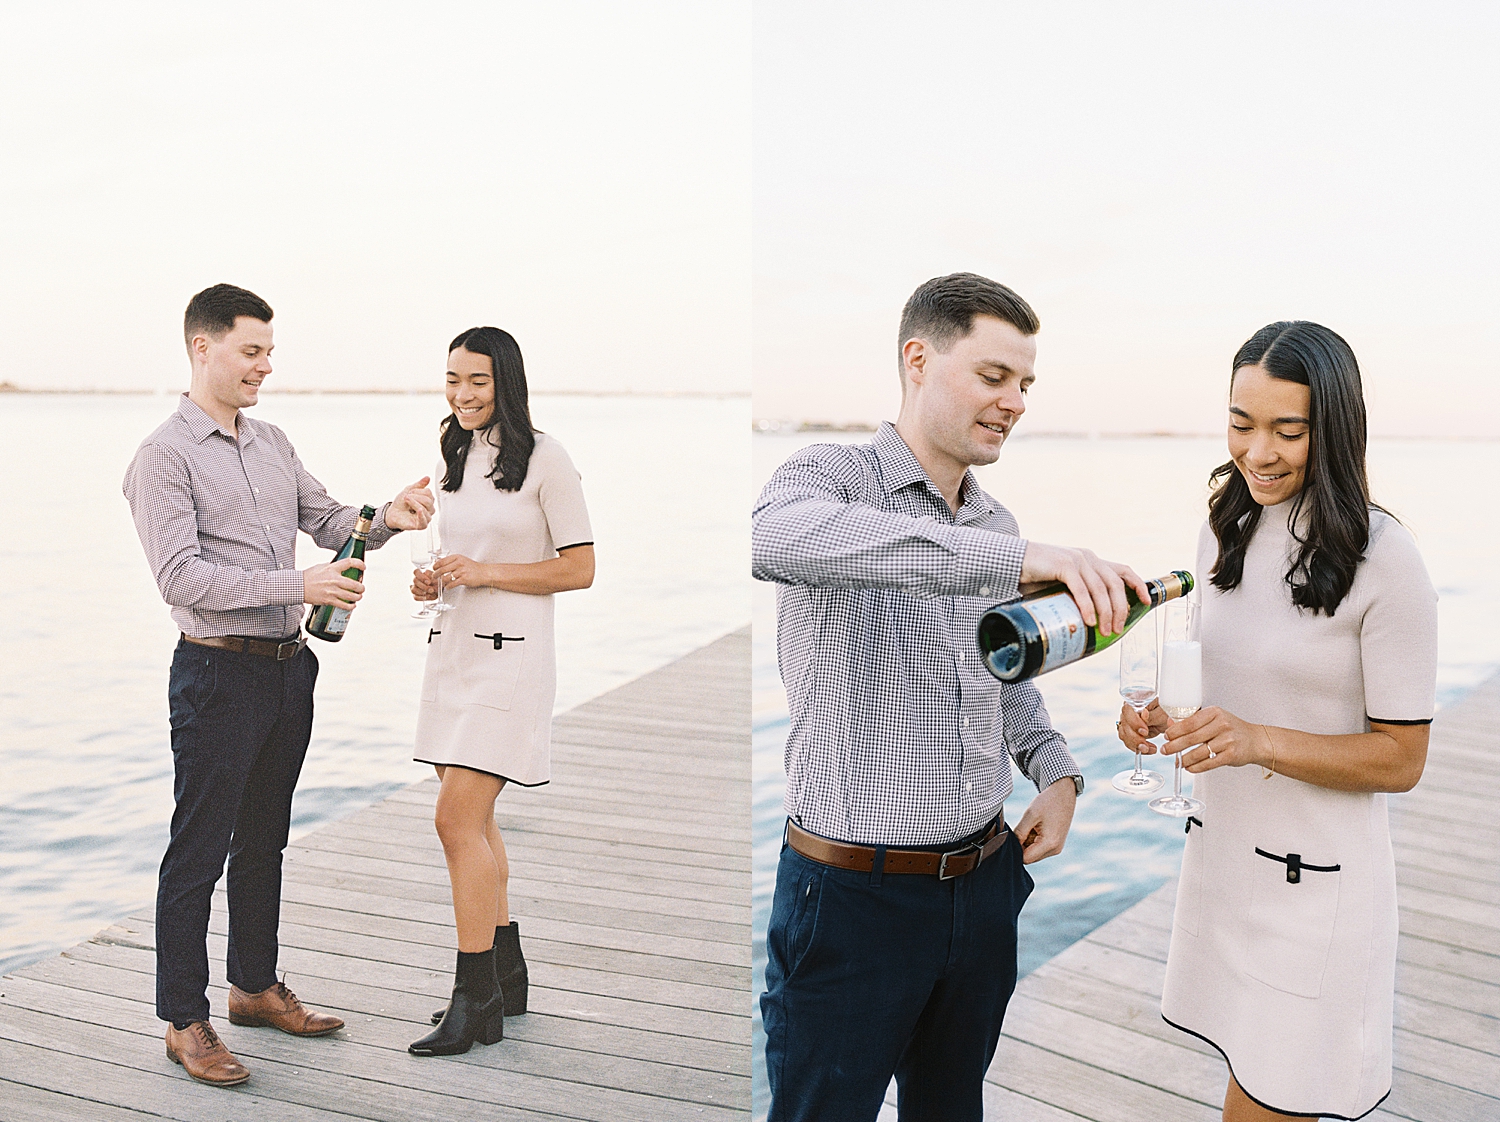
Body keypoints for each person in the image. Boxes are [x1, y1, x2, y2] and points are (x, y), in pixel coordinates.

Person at [752, 272, 1149, 1121]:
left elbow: (1002, 678)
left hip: (983, 884)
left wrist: (1058, 774)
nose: (1015, 402)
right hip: (852, 900)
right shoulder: (828, 477)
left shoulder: (997, 526)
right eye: (994, 376)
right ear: (919, 359)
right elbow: (771, 538)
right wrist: (1011, 562)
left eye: (1026, 385)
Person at [1118, 321, 1436, 1121]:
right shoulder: (1227, 528)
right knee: (1248, 1078)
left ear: (1333, 429)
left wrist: (1256, 740)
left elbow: (1401, 760)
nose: (1258, 452)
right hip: (1224, 869)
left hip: (1315, 893)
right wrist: (1162, 718)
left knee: (1274, 1094)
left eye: (1287, 431)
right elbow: (1225, 684)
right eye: (1241, 423)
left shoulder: (1386, 559)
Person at [122, 284, 434, 1086]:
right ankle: (184, 1019)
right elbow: (182, 577)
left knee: (264, 840)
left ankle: (253, 989)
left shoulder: (272, 442)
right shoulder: (163, 455)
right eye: (251, 350)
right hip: (215, 672)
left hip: (288, 671)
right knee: (197, 850)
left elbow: (333, 522)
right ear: (203, 348)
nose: (267, 364)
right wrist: (304, 586)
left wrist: (389, 516)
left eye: (269, 350)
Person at [404, 326, 594, 1057]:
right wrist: (437, 576)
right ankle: (507, 974)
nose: (462, 394)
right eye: (453, 379)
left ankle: (474, 994)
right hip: (453, 650)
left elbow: (579, 568)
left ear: (505, 382)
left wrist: (484, 572)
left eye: (476, 381)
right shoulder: (455, 451)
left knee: (455, 820)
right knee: (476, 823)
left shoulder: (548, 457)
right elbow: (465, 554)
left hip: (512, 659)